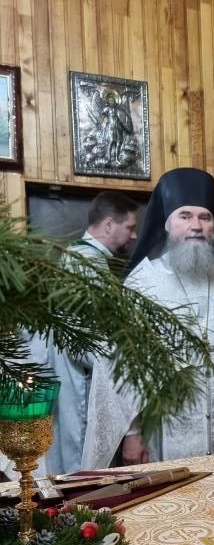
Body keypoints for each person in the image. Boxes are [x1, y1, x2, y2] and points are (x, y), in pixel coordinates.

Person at [81, 168, 214, 467]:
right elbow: (124, 370)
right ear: (167, 224)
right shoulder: (143, 283)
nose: (196, 225)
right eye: (185, 216)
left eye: (204, 217)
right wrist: (133, 434)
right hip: (168, 420)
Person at [46, 192, 139, 475]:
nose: (134, 235)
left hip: (74, 378)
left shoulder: (82, 257)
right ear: (109, 224)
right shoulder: (87, 263)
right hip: (85, 383)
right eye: (130, 227)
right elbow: (94, 342)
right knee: (85, 471)